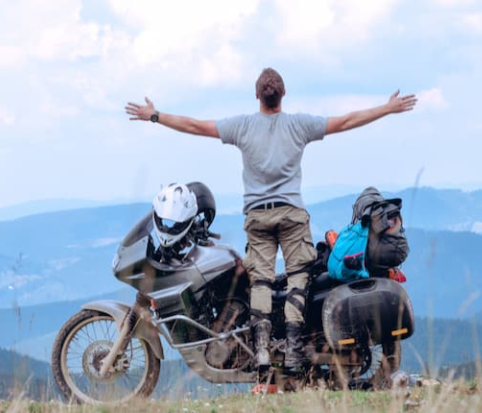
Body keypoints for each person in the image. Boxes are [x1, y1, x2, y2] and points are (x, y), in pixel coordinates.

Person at [124, 68, 417, 374]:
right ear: (283, 95)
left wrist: (155, 115)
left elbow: (196, 126)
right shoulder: (299, 124)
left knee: (260, 280)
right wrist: (386, 108)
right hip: (292, 215)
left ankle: (262, 351)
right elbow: (345, 121)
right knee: (298, 278)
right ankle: (291, 351)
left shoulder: (242, 126)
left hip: (258, 217)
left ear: (257, 96)